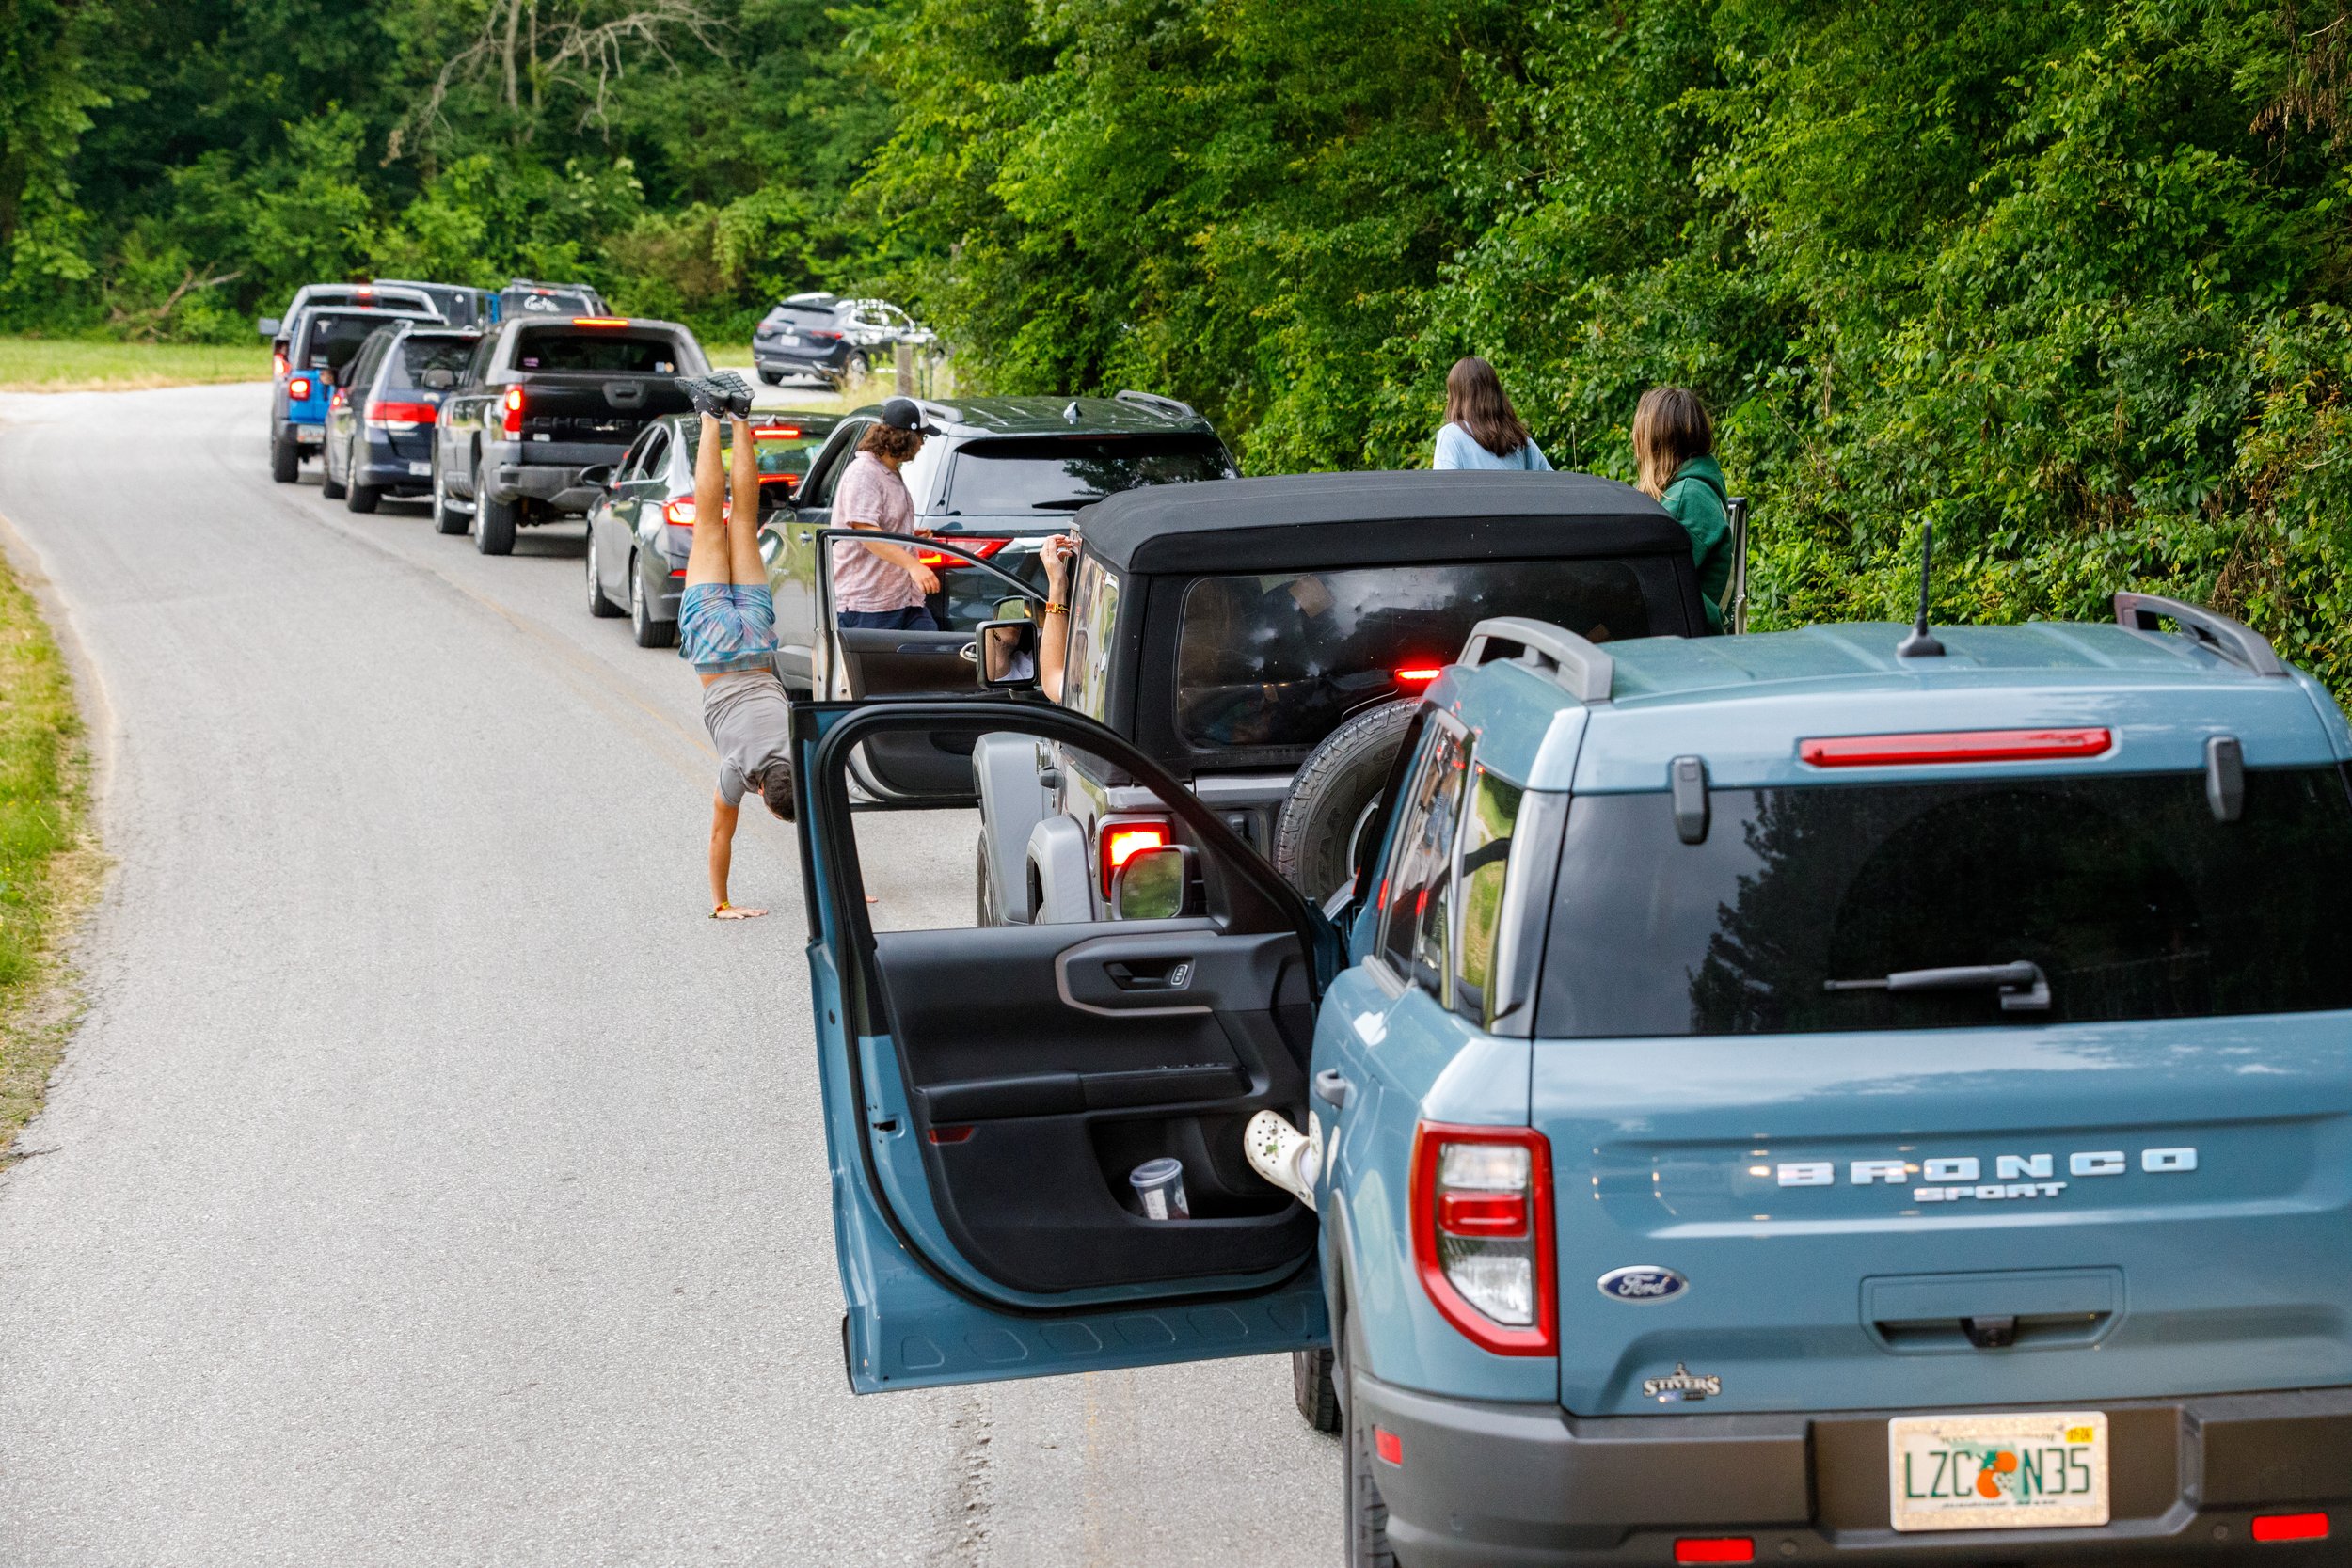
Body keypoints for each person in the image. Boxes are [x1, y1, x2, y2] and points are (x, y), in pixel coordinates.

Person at [673, 370, 792, 920]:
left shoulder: (807, 754)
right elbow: (720, 837)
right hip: (718, 649)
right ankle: (707, 412)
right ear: (764, 796)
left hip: (758, 640)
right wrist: (721, 903)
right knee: (707, 525)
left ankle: (740, 415)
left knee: (742, 521)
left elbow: (823, 829)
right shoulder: (737, 770)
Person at [833, 398, 946, 629]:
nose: (922, 445)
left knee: (933, 653)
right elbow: (866, 533)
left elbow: (880, 526)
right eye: (922, 437)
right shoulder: (864, 474)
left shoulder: (888, 471)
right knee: (879, 666)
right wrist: (914, 566)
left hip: (902, 599)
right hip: (867, 605)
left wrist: (908, 535)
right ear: (906, 437)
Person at [1632, 385, 1734, 631]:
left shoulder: (1686, 499)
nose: (1634, 440)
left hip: (1691, 644)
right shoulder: (1695, 487)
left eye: (1639, 434)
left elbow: (1643, 582)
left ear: (1655, 441)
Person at [1432, 356, 1552, 471]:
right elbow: (1555, 485)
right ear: (1496, 393)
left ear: (1456, 396)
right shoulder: (1519, 440)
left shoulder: (1451, 436)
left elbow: (1442, 490)